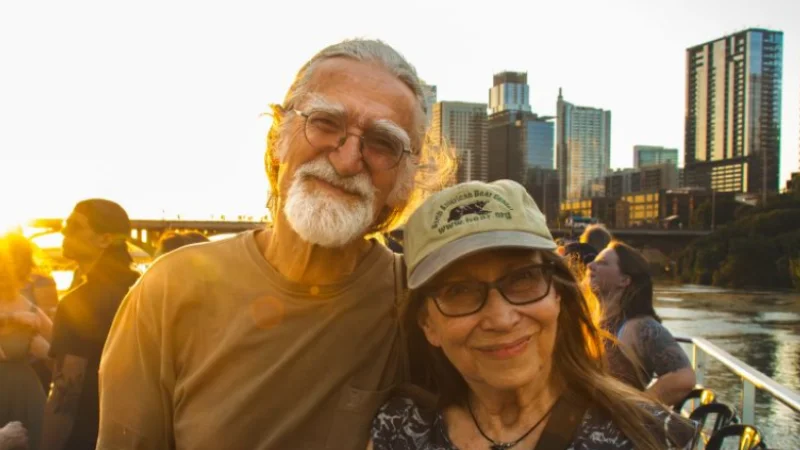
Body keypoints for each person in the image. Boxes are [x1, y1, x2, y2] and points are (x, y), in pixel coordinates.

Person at [97, 39, 453, 450]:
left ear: (405, 182)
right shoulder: (169, 289)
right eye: (325, 122)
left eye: (382, 143)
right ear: (277, 138)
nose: (347, 158)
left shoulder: (421, 301)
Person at [369, 180, 698, 450]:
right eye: (459, 291)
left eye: (523, 278)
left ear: (557, 294)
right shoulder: (401, 430)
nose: (501, 319)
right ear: (428, 324)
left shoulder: (651, 437)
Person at [41, 199, 140, 450]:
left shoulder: (78, 303)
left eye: (74, 226)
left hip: (87, 433)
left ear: (105, 239)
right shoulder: (142, 292)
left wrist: (48, 444)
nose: (63, 232)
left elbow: (66, 394)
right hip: (138, 431)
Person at [586, 241, 696, 407]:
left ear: (624, 280)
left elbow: (683, 378)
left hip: (614, 426)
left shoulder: (638, 326)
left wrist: (635, 408)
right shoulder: (595, 321)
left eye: (602, 263)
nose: (590, 266)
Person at [0, 234, 52, 450]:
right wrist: (11, 319)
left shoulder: (30, 309)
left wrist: (46, 351)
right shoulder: (21, 314)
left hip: (23, 392)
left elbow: (62, 354)